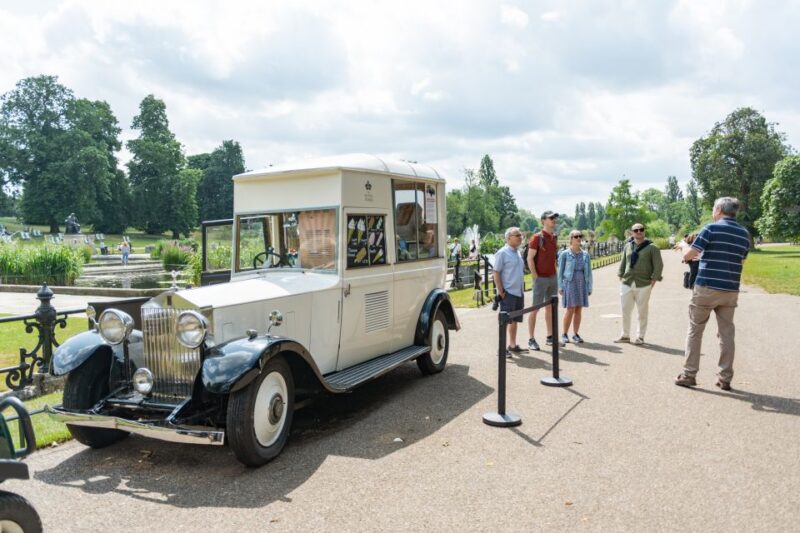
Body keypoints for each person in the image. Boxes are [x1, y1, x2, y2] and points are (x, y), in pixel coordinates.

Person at [675, 197, 750, 391]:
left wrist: (683, 246)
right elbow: (741, 262)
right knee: (726, 334)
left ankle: (689, 374)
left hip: (707, 286)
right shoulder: (744, 234)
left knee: (695, 330)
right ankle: (725, 377)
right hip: (730, 289)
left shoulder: (711, 229)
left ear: (718, 210)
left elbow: (688, 255)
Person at [614, 223, 663, 345]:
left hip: (644, 283)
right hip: (627, 282)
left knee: (642, 312)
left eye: (641, 229)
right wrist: (620, 275)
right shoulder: (628, 246)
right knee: (625, 310)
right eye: (636, 230)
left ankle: (640, 336)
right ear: (632, 233)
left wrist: (653, 280)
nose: (639, 232)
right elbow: (624, 262)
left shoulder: (652, 248)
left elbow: (658, 265)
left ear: (644, 231)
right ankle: (625, 335)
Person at [527, 210, 561, 350]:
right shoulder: (537, 238)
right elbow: (530, 258)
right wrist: (535, 275)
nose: (554, 220)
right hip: (540, 278)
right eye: (551, 218)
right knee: (535, 309)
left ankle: (550, 337)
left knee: (551, 308)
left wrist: (555, 273)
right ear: (543, 221)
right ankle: (531, 339)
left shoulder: (554, 237)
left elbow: (553, 258)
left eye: (554, 218)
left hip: (552, 277)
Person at [493, 227, 527, 357]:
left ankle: (512, 345)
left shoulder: (517, 252)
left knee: (515, 320)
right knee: (505, 321)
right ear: (508, 238)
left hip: (518, 292)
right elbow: (496, 272)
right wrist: (500, 291)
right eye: (517, 235)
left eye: (520, 234)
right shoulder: (503, 253)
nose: (520, 237)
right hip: (508, 293)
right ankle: (501, 349)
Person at [558, 230, 593, 344]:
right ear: (571, 239)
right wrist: (560, 286)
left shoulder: (585, 254)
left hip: (581, 282)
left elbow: (589, 272)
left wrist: (589, 287)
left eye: (580, 236)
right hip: (570, 282)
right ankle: (564, 334)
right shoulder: (564, 254)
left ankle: (575, 334)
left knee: (578, 309)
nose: (578, 238)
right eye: (576, 236)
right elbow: (560, 272)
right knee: (570, 309)